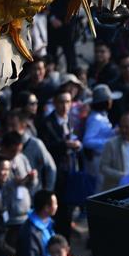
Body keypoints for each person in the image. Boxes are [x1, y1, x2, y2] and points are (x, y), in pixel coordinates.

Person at [39, 89, 82, 237]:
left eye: (68, 102)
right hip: (55, 173)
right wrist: (65, 145)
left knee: (69, 211)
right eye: (61, 102)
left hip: (70, 171)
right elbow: (45, 147)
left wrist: (76, 145)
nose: (65, 106)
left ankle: (66, 243)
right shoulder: (47, 123)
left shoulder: (71, 120)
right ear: (55, 103)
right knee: (56, 210)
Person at [0, 130, 36, 247]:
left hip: (24, 214)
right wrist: (14, 183)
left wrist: (32, 179)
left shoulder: (22, 158)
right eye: (13, 151)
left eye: (19, 150)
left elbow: (32, 185)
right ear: (4, 148)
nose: (16, 154)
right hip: (7, 217)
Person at [6, 109, 56, 192]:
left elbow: (51, 168)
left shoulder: (35, 144)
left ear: (23, 126)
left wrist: (48, 192)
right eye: (8, 126)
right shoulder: (5, 145)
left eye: (13, 125)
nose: (9, 129)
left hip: (33, 193)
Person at [82, 84, 118, 184]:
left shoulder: (102, 116)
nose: (111, 101)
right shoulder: (95, 119)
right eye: (109, 99)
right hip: (97, 160)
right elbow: (87, 141)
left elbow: (101, 134)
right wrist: (109, 142)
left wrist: (113, 132)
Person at [99, 111, 129, 190]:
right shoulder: (111, 144)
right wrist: (123, 177)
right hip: (117, 189)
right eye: (121, 127)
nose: (123, 130)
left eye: (127, 127)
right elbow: (103, 168)